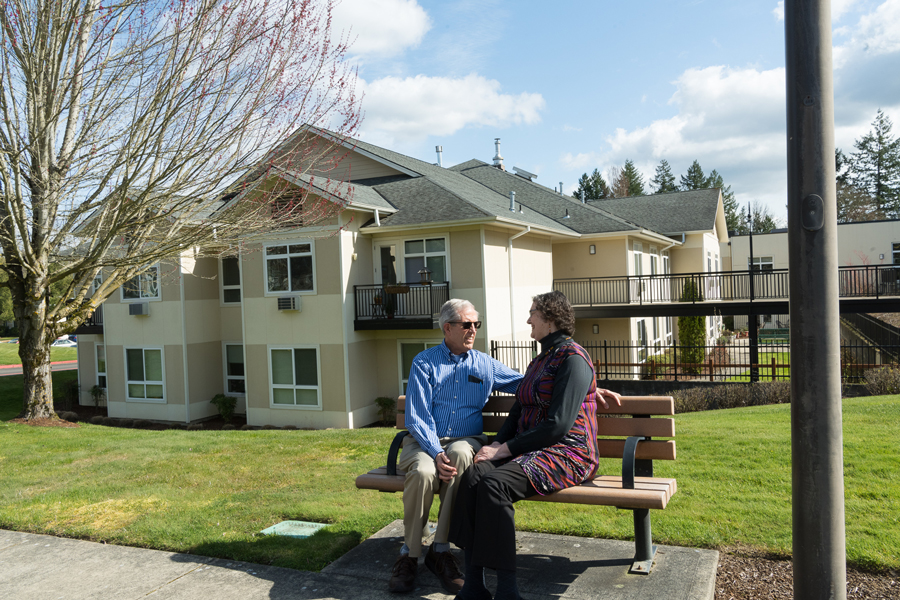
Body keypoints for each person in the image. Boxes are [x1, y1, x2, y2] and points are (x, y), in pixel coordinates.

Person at [448, 291, 622, 600]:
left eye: (533, 314)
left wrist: (503, 450)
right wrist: (498, 443)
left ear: (551, 319)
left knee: (494, 485)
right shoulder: (540, 360)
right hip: (530, 450)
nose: (528, 319)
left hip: (568, 453)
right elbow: (517, 411)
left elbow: (557, 425)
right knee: (473, 477)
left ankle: (508, 591)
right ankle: (474, 585)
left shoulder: (574, 359)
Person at [389, 299, 524, 594]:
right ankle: (410, 554)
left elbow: (527, 384)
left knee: (462, 455)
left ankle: (441, 549)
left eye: (477, 324)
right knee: (424, 473)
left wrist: (583, 385)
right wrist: (435, 452)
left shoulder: (485, 364)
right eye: (467, 324)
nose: (473, 329)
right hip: (424, 442)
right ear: (448, 328)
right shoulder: (424, 363)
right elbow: (416, 416)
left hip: (465, 440)